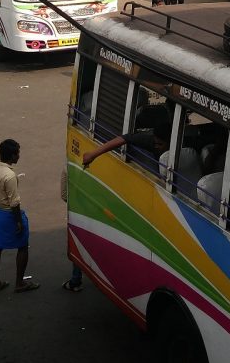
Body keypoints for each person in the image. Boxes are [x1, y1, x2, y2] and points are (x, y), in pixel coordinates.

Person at [65, 106, 172, 292]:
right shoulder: (148, 141)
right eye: (154, 143)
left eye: (160, 145)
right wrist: (94, 154)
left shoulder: (175, 153)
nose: (155, 147)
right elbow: (124, 138)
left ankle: (76, 278)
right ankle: (76, 277)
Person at [0, 139, 38, 293]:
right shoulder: (10, 175)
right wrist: (19, 222)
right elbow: (14, 203)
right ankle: (19, 283)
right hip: (9, 214)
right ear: (12, 155)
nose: (19, 157)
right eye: (17, 154)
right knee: (22, 246)